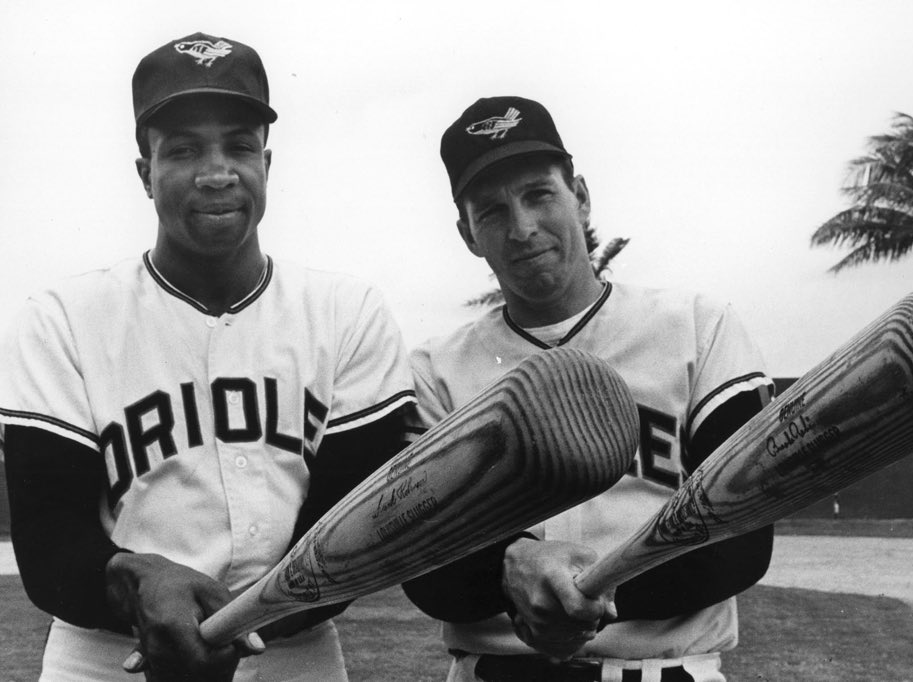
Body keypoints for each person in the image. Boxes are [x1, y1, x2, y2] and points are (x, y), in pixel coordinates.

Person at [0, 32, 415, 681]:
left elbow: (355, 526)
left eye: (239, 146)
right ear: (145, 172)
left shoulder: (347, 312)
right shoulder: (63, 319)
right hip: (107, 660)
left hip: (294, 656)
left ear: (266, 164)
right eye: (184, 149)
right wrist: (137, 580)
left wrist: (232, 626)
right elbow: (49, 535)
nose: (217, 173)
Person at [401, 96, 776, 682]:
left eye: (539, 194)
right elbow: (422, 562)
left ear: (579, 196)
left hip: (663, 668)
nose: (522, 228)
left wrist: (591, 595)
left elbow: (742, 532)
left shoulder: (698, 327)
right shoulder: (434, 370)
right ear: (467, 233)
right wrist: (511, 570)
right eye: (492, 210)